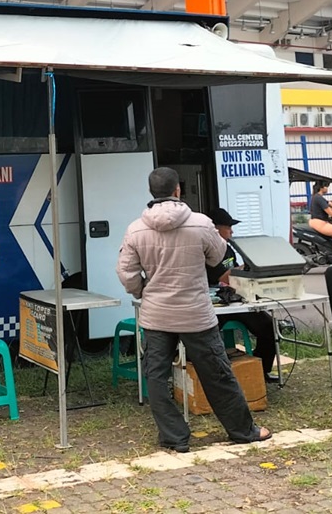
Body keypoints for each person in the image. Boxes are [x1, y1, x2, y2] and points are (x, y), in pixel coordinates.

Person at [116, 167, 271, 453]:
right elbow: (218, 257)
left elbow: (126, 272)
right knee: (218, 373)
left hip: (156, 315)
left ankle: (174, 437)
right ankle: (243, 431)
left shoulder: (135, 229)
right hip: (196, 314)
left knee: (156, 377)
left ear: (152, 192)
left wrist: (142, 291)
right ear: (178, 190)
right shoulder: (201, 223)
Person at [205, 208, 279, 384]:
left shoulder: (228, 248)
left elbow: (235, 270)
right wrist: (247, 269)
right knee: (206, 337)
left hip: (235, 300)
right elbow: (224, 277)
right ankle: (213, 379)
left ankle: (262, 372)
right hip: (214, 304)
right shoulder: (208, 250)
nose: (232, 231)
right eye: (228, 227)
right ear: (216, 229)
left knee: (269, 326)